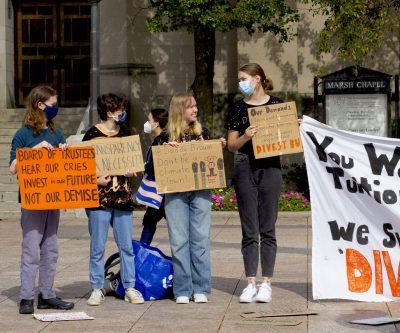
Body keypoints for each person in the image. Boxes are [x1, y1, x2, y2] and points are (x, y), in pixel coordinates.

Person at [9, 85, 74, 314]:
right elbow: (12, 168)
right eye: (53, 104)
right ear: (40, 105)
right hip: (32, 200)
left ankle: (46, 294)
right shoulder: (23, 134)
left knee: (51, 249)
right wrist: (35, 150)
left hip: (52, 199)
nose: (56, 108)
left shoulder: (57, 134)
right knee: (31, 249)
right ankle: (26, 297)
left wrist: (65, 152)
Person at [225, 63, 283, 303]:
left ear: (257, 79)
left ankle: (266, 283)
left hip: (270, 168)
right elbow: (231, 146)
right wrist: (245, 136)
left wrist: (295, 128)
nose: (240, 82)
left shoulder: (277, 105)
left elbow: (287, 139)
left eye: (243, 78)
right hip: (244, 166)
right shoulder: (238, 108)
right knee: (249, 229)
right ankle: (250, 282)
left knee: (268, 228)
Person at [161, 92, 225, 304]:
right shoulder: (164, 136)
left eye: (196, 106)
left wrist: (217, 148)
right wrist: (165, 151)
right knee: (179, 241)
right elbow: (151, 166)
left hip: (200, 192)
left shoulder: (203, 132)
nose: (195, 110)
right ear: (180, 110)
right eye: (190, 107)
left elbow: (211, 161)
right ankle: (182, 289)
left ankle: (200, 287)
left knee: (200, 240)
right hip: (175, 193)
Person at [83, 93, 144, 306]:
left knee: (126, 245)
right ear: (109, 113)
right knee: (97, 246)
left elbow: (134, 162)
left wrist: (130, 172)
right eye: (120, 110)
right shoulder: (91, 135)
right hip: (98, 200)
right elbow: (80, 168)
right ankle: (97, 287)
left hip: (122, 198)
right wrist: (96, 179)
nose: (123, 113)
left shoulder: (125, 132)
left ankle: (130, 286)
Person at [139, 108, 169, 245]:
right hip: (162, 191)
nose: (146, 123)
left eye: (149, 120)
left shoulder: (161, 140)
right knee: (150, 221)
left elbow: (157, 166)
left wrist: (144, 167)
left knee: (149, 222)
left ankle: (142, 251)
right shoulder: (159, 139)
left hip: (162, 192)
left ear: (156, 124)